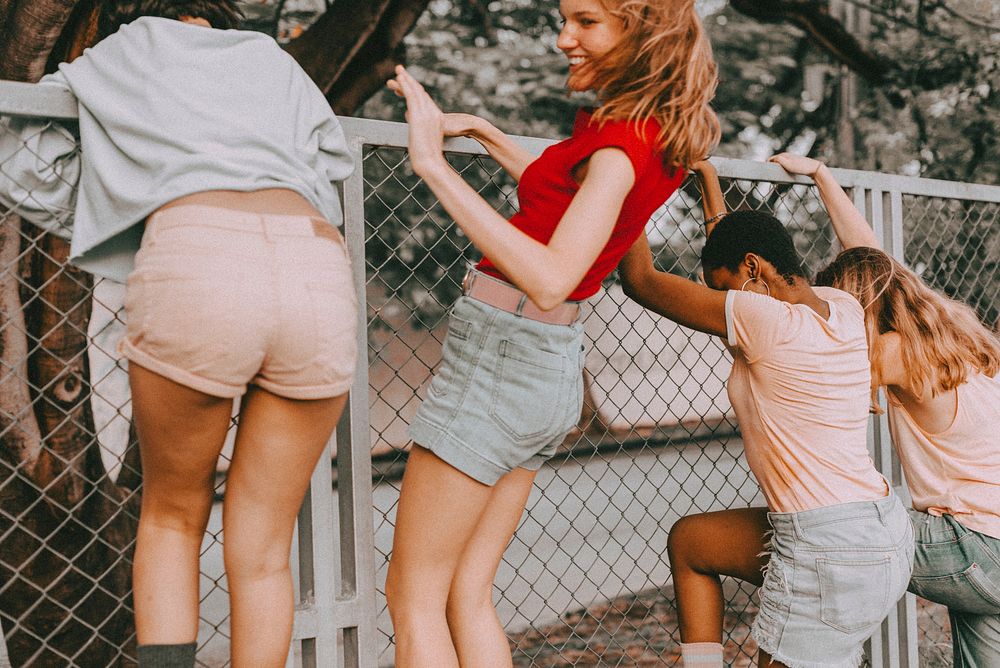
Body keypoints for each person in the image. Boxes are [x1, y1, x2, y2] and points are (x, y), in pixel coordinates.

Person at [0, 2, 357, 666]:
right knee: (262, 547)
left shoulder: (121, 52)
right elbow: (330, 157)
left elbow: (17, 144)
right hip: (315, 263)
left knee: (170, 516)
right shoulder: (269, 59)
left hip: (199, 256)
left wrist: (107, 197)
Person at [382, 0, 720, 664]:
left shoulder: (621, 146)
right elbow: (566, 204)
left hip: (502, 354)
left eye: (586, 20)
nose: (564, 37)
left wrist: (432, 165)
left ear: (644, 29)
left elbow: (551, 274)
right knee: (468, 593)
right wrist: (487, 134)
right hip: (543, 363)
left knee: (414, 596)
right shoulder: (648, 133)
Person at [617, 192, 913, 667]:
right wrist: (707, 178)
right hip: (881, 529)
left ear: (753, 268)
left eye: (725, 287)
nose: (722, 301)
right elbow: (737, 252)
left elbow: (641, 280)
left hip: (828, 546)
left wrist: (623, 181)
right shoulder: (840, 307)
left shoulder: (764, 321)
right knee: (692, 541)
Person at [771, 152, 1000, 667]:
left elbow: (824, 334)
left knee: (835, 534)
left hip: (976, 547)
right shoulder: (950, 339)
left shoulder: (892, 355)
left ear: (862, 312)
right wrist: (822, 177)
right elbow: (873, 262)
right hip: (994, 545)